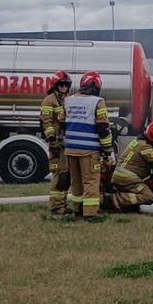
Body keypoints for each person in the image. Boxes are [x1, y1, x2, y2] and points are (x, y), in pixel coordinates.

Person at [60, 70, 113, 219]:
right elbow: (103, 128)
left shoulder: (68, 100)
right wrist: (108, 150)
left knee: (76, 181)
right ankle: (90, 213)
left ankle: (76, 209)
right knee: (91, 181)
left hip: (70, 148)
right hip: (89, 150)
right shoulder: (98, 102)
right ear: (96, 86)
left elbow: (63, 123)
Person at [39, 70, 72, 215]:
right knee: (59, 174)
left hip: (66, 143)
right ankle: (57, 206)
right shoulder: (49, 100)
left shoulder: (68, 99)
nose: (64, 87)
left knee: (66, 175)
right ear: (55, 85)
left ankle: (62, 204)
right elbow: (46, 123)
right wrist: (52, 140)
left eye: (66, 84)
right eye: (61, 84)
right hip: (57, 144)